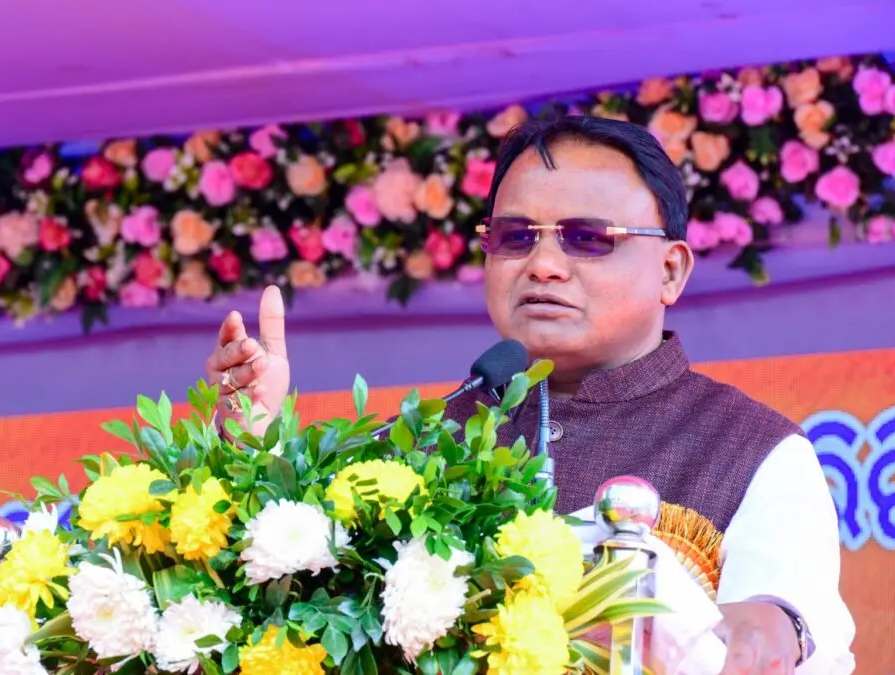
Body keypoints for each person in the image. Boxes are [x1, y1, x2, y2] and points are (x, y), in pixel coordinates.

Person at [205, 116, 854, 673]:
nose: (542, 264)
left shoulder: (753, 451)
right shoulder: (413, 446)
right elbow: (288, 615)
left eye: (588, 237)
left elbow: (777, 636)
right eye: (516, 237)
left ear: (671, 270)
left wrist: (751, 630)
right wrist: (251, 450)